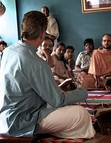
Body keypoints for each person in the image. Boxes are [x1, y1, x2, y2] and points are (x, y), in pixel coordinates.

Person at [0, 11, 95, 139]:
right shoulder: (37, 62)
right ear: (43, 34)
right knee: (80, 114)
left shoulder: (7, 51)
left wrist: (58, 89)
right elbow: (58, 100)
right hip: (22, 122)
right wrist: (84, 91)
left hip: (3, 119)